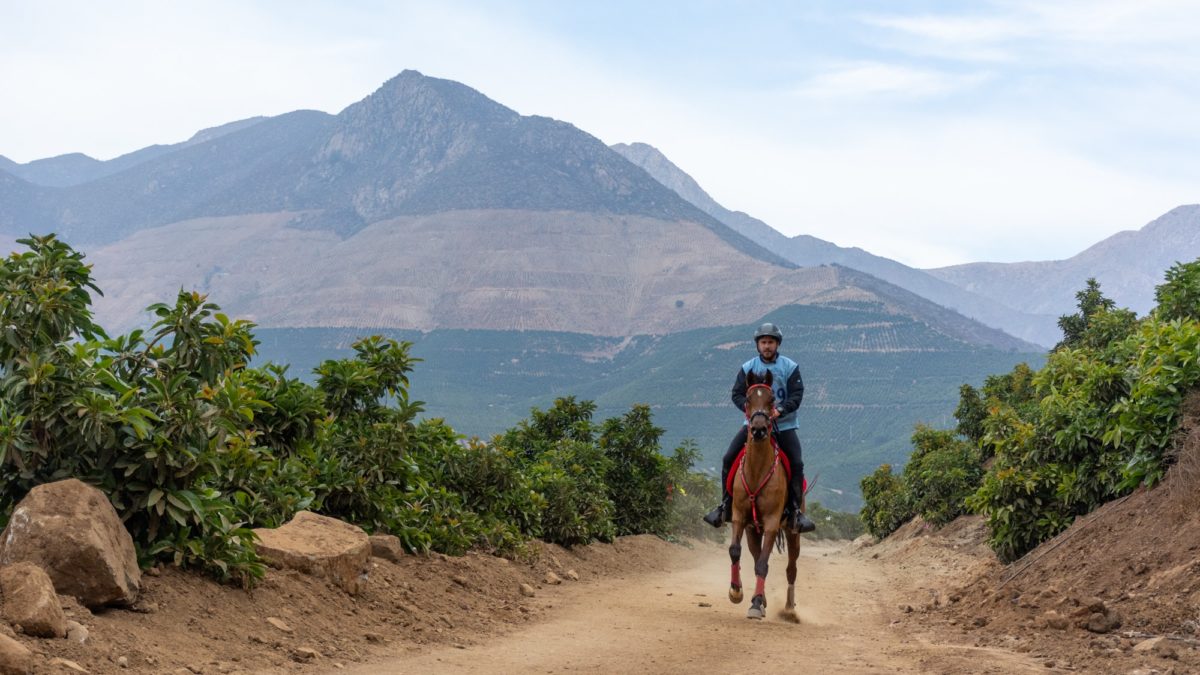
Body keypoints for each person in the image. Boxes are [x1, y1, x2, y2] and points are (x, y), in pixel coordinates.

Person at [703, 322, 816, 533]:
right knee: (728, 458)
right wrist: (750, 411)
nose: (767, 346)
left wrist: (780, 410)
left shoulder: (790, 367)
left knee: (797, 463)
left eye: (771, 342)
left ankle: (795, 512)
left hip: (784, 426)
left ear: (777, 344)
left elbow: (797, 395)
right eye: (763, 342)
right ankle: (725, 506)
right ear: (758, 345)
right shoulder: (748, 368)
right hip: (753, 426)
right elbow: (736, 394)